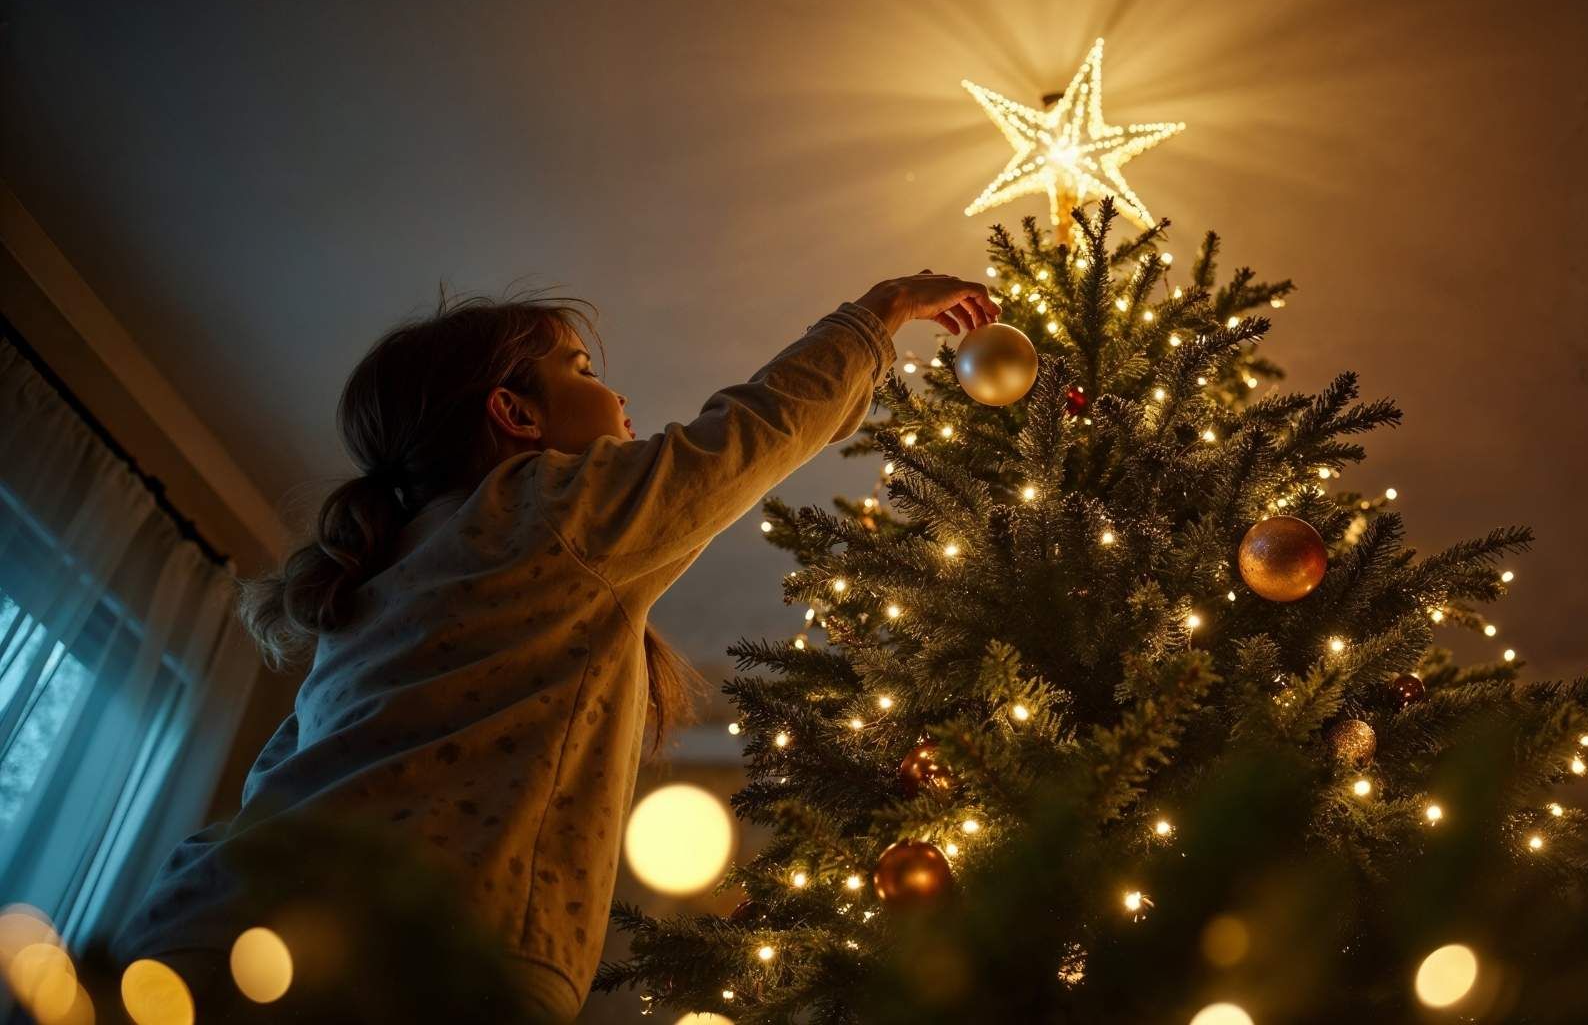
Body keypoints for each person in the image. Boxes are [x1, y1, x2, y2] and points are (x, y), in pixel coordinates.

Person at [104, 273, 998, 1021]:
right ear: (515, 414)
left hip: (200, 924)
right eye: (581, 368)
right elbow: (749, 436)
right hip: (421, 953)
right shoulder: (551, 507)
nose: (617, 395)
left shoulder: (380, 575)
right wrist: (877, 315)